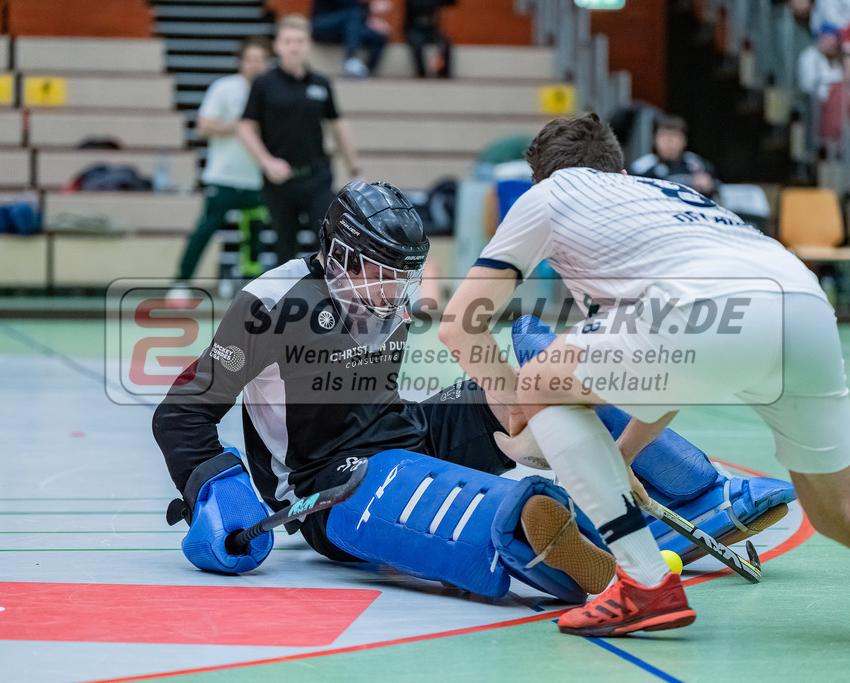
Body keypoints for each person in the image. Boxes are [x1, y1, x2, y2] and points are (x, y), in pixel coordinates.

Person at [153, 179, 793, 607]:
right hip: (329, 484)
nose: (389, 289)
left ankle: (702, 496)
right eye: (377, 271)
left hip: (411, 433)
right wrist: (216, 486)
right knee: (505, 504)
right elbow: (181, 414)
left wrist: (526, 413)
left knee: (543, 354)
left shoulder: (391, 296)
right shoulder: (271, 303)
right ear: (336, 254)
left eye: (400, 275)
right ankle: (569, 546)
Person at [438, 112, 850, 638]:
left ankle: (644, 583)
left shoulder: (551, 194)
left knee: (538, 380)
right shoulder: (661, 198)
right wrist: (619, 461)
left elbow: (460, 326)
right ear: (618, 170)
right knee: (844, 510)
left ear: (541, 177)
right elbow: (670, 367)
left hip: (714, 314)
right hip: (806, 308)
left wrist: (517, 416)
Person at [238, 14, 362, 269]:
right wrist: (266, 162)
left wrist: (355, 168)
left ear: (308, 45)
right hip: (280, 182)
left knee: (331, 240)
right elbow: (245, 126)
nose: (294, 46)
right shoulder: (264, 84)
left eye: (299, 41)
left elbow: (337, 124)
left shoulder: (321, 83)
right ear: (278, 46)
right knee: (285, 247)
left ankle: (330, 301)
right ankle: (287, 304)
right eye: (288, 41)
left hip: (317, 177)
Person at [169, 37, 271, 294]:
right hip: (223, 177)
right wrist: (239, 126)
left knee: (253, 237)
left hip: (256, 179)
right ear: (241, 62)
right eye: (250, 60)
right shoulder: (224, 88)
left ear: (268, 63)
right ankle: (181, 282)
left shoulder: (272, 92)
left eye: (259, 60)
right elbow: (203, 126)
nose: (254, 65)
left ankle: (248, 288)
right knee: (204, 230)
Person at [628, 115, 720, 199]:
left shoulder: (698, 165)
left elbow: (716, 192)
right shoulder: (641, 168)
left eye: (675, 136)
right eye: (664, 136)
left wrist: (708, 187)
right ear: (654, 140)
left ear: (684, 140)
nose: (669, 142)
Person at [311, 0, 390, 79]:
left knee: (378, 37)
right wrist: (369, 8)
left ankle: (368, 72)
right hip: (323, 25)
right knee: (352, 14)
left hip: (348, 30)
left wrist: (372, 22)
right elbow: (345, 6)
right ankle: (350, 61)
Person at [404, 0, 455, 78]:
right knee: (417, 45)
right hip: (415, 30)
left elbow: (451, 3)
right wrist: (406, 33)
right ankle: (421, 73)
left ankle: (443, 73)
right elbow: (407, 17)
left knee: (445, 44)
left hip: (431, 30)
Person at [798, 22, 845, 99]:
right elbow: (807, 87)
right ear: (820, 39)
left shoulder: (837, 61)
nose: (831, 44)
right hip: (812, 105)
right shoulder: (809, 57)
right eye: (828, 39)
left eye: (834, 41)